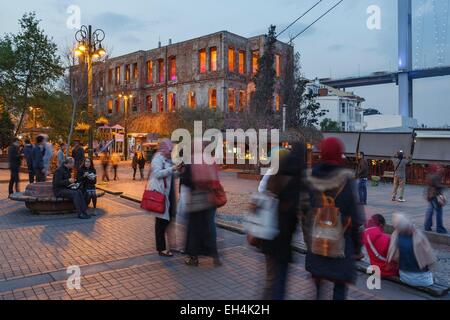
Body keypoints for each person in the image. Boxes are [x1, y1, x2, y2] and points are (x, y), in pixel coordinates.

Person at [305, 137, 365, 300]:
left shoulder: (311, 180)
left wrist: (308, 241)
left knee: (318, 290)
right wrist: (358, 247)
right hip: (341, 245)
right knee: (339, 289)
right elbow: (356, 218)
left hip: (317, 242)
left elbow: (306, 214)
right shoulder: (347, 181)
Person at [259, 143, 306, 300]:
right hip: (284, 236)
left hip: (268, 231)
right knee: (278, 280)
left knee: (271, 277)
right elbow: (300, 209)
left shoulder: (277, 172)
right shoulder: (299, 176)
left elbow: (263, 192)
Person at [183, 141, 225, 268]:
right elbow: (216, 180)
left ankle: (193, 258)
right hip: (210, 200)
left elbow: (185, 180)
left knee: (194, 231)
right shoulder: (210, 161)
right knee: (210, 229)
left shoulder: (191, 161)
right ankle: (215, 257)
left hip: (196, 202)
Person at [146, 139, 181, 257]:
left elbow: (170, 174)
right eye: (169, 149)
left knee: (168, 218)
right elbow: (157, 174)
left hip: (167, 192)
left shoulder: (167, 159)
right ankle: (161, 248)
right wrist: (172, 169)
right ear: (163, 149)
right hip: (160, 192)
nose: (171, 151)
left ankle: (167, 246)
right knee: (161, 221)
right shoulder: (157, 158)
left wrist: (178, 171)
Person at [388, 214, 437, 287]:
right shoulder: (419, 237)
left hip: (404, 277)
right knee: (432, 277)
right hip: (422, 280)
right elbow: (431, 260)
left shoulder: (395, 236)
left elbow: (395, 258)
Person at [424, 165, 447, 234]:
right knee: (439, 212)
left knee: (430, 211)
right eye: (439, 168)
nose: (440, 169)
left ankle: (427, 226)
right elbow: (437, 185)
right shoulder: (436, 176)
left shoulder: (429, 175)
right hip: (436, 196)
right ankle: (440, 229)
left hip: (430, 195)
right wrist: (444, 187)